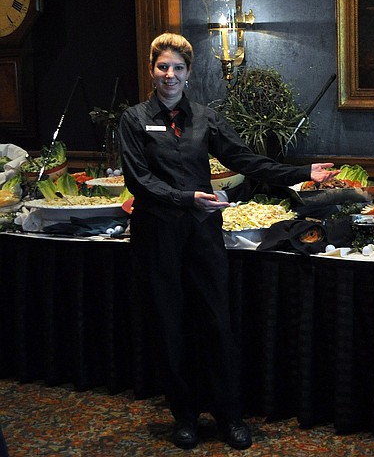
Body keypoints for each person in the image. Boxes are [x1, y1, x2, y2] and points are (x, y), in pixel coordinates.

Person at [119, 32, 338, 450]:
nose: (169, 75)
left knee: (217, 323)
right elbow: (138, 182)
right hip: (157, 237)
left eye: (177, 68)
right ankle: (184, 416)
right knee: (170, 326)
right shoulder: (133, 119)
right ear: (152, 69)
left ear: (188, 73)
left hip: (202, 235)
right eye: (162, 66)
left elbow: (244, 160)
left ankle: (229, 415)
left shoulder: (204, 117)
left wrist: (300, 172)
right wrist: (186, 198)